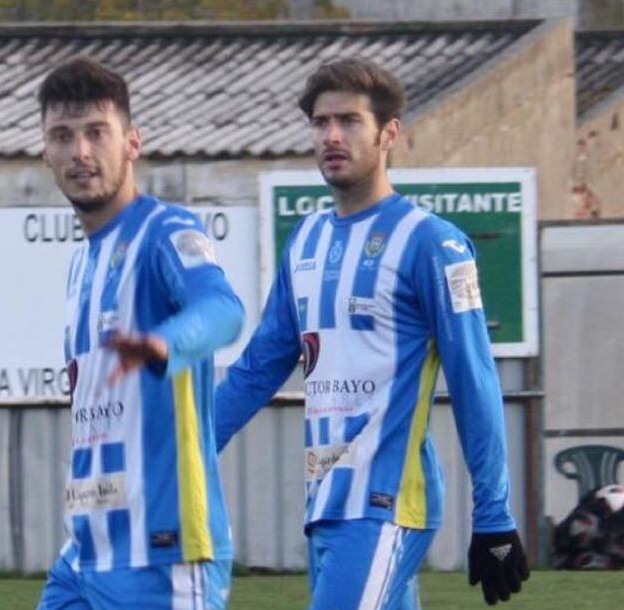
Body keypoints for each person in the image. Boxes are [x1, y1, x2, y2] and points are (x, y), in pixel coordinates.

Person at [214, 58, 530, 609]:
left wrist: (495, 513)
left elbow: (475, 378)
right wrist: (183, 452)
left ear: (389, 133)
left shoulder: (433, 242)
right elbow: (258, 367)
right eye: (320, 122)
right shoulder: (306, 238)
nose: (332, 135)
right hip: (327, 503)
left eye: (350, 121)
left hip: (386, 501)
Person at [35, 56, 244, 610]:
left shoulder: (164, 232)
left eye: (96, 133)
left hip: (162, 549)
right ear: (46, 154)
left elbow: (223, 308)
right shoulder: (83, 263)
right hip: (87, 548)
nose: (80, 152)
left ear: (132, 143)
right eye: (63, 136)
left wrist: (164, 344)